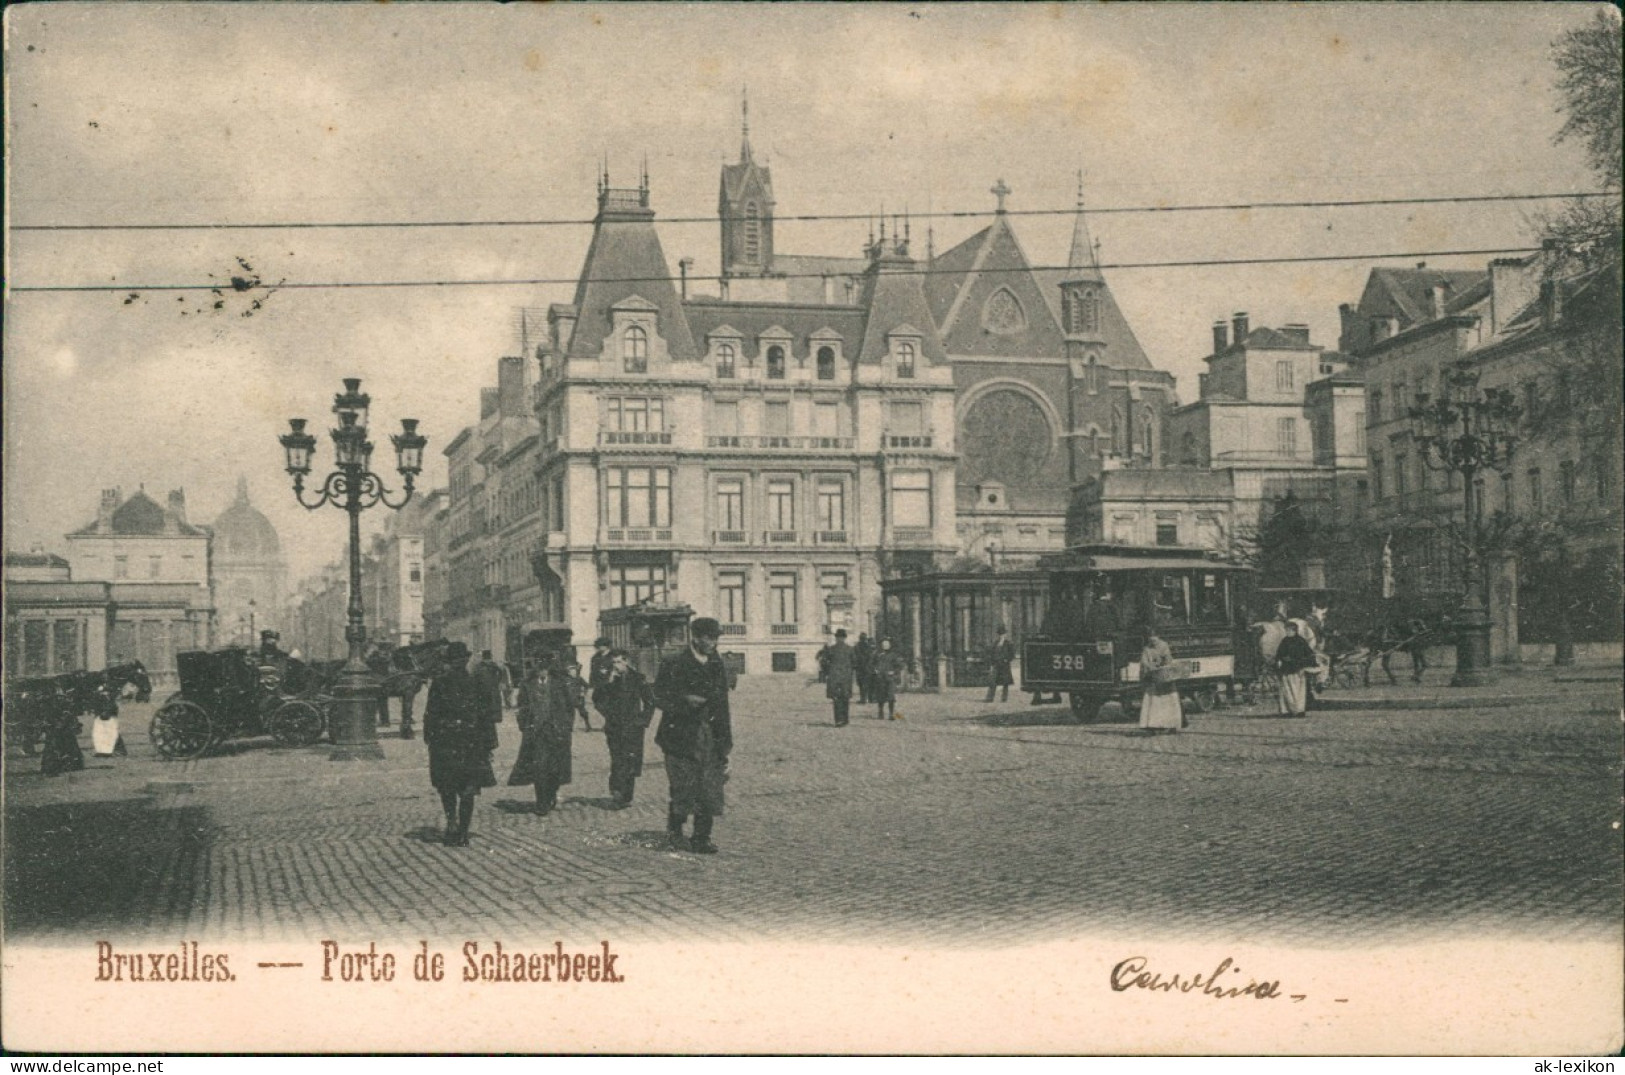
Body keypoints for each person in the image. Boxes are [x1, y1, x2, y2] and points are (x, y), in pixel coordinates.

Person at [653, 616, 732, 854]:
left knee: (709, 787)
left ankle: (701, 837)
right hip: (679, 735)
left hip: (709, 734)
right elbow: (658, 696)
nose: (713, 643)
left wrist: (725, 743)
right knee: (683, 786)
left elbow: (723, 705)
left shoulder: (717, 663)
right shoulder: (674, 662)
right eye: (709, 638)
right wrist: (684, 701)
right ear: (695, 637)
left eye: (716, 638)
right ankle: (675, 830)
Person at [422, 641, 495, 846]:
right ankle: (462, 830)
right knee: (467, 788)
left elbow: (431, 715)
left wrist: (431, 740)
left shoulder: (439, 683)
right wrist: (489, 744)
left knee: (448, 786)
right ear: (465, 660)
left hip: (446, 742)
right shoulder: (477, 682)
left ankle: (453, 824)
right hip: (470, 742)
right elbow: (486, 716)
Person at [508, 656, 576, 815]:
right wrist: (524, 725)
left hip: (556, 732)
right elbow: (522, 706)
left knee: (554, 767)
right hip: (536, 733)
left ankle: (551, 793)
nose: (542, 672)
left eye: (545, 668)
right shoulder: (528, 684)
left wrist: (566, 727)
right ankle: (541, 802)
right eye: (539, 668)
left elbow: (569, 707)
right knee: (539, 767)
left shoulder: (560, 683)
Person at [593, 649, 654, 806]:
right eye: (613, 663)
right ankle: (617, 792)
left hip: (633, 727)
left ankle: (626, 795)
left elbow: (650, 701)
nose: (616, 666)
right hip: (614, 726)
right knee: (617, 759)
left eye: (619, 662)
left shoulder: (638, 679)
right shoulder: (609, 680)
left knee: (631, 761)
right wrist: (607, 712)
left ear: (626, 662)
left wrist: (643, 720)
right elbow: (597, 699)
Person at [1138, 627, 1184, 733]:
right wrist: (1150, 666)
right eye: (1150, 639)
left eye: (1154, 638)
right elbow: (1144, 661)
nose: (1152, 641)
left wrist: (1163, 664)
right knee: (1153, 702)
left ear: (1158, 637)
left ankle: (1171, 725)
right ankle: (1153, 725)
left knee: (1168, 701)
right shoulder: (1146, 649)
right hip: (1153, 678)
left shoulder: (1164, 646)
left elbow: (1168, 659)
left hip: (1164, 678)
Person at [1274, 620, 1318, 718]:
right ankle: (1287, 710)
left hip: (1298, 669)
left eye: (1289, 630)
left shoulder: (1301, 641)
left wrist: (1301, 663)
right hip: (1286, 669)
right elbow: (1279, 654)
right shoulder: (1284, 641)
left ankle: (1299, 710)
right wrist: (1279, 662)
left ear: (1294, 631)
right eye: (1287, 630)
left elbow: (1309, 655)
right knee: (1286, 691)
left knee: (1297, 691)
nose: (1287, 632)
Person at [825, 628, 855, 726]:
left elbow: (825, 663)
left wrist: (828, 673)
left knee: (836, 699)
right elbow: (855, 663)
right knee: (845, 699)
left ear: (836, 638)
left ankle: (838, 720)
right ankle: (845, 719)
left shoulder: (831, 649)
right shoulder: (850, 649)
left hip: (834, 677)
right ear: (845, 638)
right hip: (846, 677)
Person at [474, 650, 508, 726]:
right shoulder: (494, 666)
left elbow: (474, 679)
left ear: (483, 657)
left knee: (485, 712)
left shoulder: (478, 667)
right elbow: (500, 674)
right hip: (493, 691)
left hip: (483, 691)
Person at [871, 638, 903, 721]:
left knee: (891, 696)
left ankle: (891, 714)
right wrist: (875, 670)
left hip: (890, 679)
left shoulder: (893, 655)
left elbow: (899, 666)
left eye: (887, 644)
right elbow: (871, 664)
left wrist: (893, 672)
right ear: (881, 645)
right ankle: (880, 712)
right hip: (880, 678)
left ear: (889, 645)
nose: (885, 645)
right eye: (883, 644)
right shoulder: (877, 654)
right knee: (880, 696)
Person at [984, 626, 1015, 703]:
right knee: (993, 681)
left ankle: (1004, 698)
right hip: (996, 664)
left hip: (1004, 665)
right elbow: (991, 653)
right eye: (1000, 634)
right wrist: (992, 662)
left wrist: (1006, 659)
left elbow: (1012, 655)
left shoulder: (1008, 644)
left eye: (1002, 634)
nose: (1001, 636)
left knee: (1005, 683)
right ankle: (990, 698)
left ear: (1005, 635)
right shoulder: (995, 643)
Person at [1401, 618, 1431, 684]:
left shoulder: (1415, 631)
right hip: (1419, 649)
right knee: (1425, 664)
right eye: (1422, 624)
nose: (1423, 625)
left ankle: (1416, 677)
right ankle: (1417, 676)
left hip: (1414, 649)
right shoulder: (1419, 632)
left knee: (1416, 664)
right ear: (1419, 625)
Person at [853, 633, 876, 704]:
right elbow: (871, 657)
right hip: (867, 668)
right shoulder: (868, 647)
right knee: (869, 683)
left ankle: (863, 699)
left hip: (860, 668)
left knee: (861, 684)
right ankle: (871, 699)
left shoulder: (856, 646)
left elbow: (854, 657)